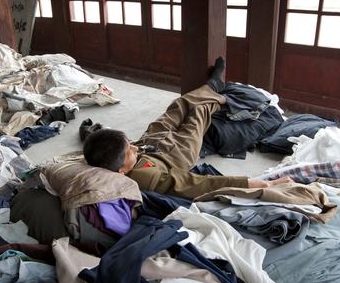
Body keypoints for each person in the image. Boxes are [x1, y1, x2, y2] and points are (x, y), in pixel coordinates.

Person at [83, 57, 292, 199]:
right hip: (178, 152)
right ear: (121, 171)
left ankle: (213, 85)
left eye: (130, 145)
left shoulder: (114, 158)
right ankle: (217, 93)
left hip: (151, 140)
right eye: (129, 152)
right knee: (199, 113)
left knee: (178, 105)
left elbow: (101, 152)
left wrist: (95, 136)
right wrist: (254, 184)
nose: (133, 149)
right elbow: (198, 184)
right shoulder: (146, 177)